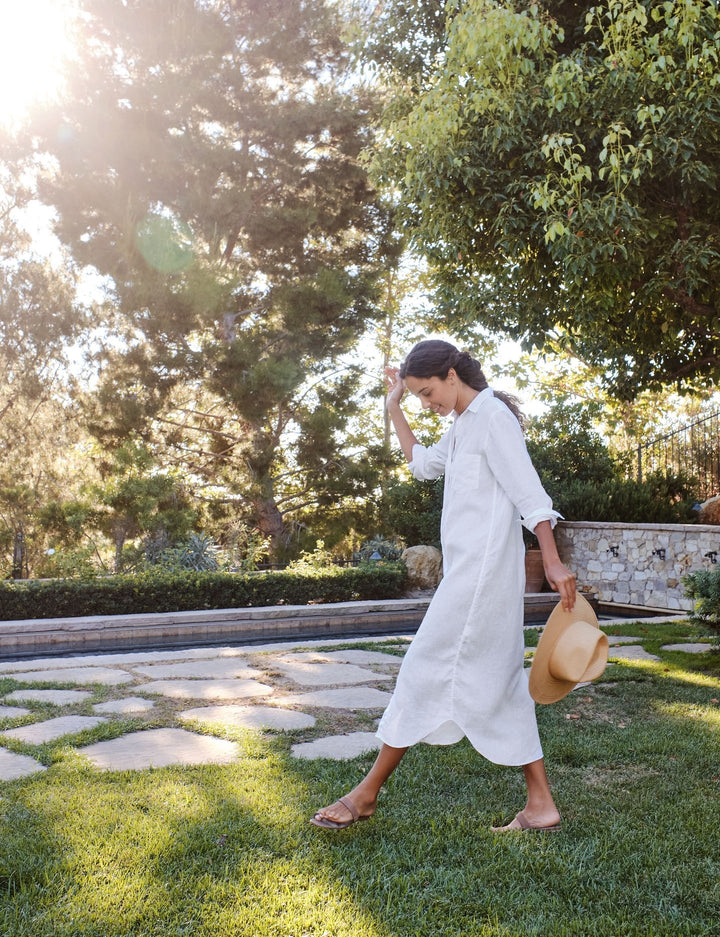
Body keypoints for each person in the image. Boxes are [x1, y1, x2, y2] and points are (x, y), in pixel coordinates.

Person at [310, 339, 576, 833]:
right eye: (419, 397)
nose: (428, 404)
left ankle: (364, 795)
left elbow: (530, 495)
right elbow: (422, 464)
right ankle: (541, 805)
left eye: (429, 393)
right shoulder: (463, 425)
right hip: (469, 577)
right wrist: (393, 406)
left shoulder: (492, 418)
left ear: (452, 374)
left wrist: (554, 562)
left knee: (422, 667)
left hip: (480, 579)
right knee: (502, 680)